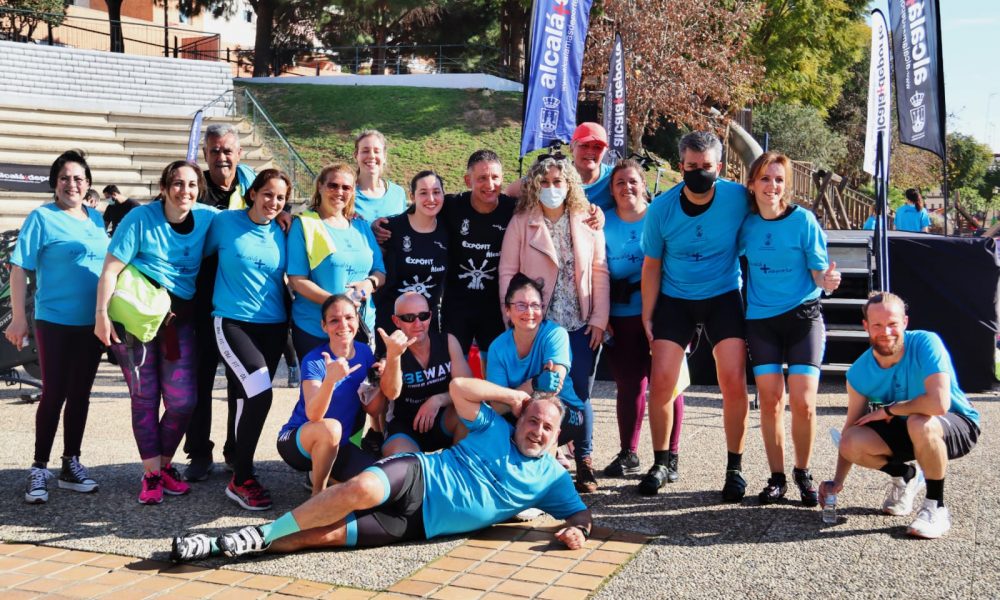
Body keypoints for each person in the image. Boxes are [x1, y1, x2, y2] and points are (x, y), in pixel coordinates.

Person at [169, 377, 592, 562]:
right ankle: (257, 534)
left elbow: (581, 513)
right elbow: (460, 389)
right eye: (532, 420)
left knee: (315, 538)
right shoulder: (495, 428)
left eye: (546, 427)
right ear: (519, 419)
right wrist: (512, 397)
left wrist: (578, 530)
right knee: (358, 491)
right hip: (418, 474)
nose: (536, 430)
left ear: (559, 438)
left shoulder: (552, 478)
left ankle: (218, 546)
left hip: (417, 526)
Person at [94, 160, 217, 504]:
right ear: (164, 188)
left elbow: (244, 219)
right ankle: (152, 474)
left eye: (192, 185)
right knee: (144, 398)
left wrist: (285, 218)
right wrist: (101, 315)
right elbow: (109, 270)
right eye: (177, 184)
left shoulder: (207, 217)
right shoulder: (139, 219)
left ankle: (162, 466)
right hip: (135, 322)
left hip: (178, 323)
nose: (185, 191)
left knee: (183, 401)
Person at [640, 130, 751, 500]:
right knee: (662, 382)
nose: (699, 172)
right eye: (692, 167)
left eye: (706, 167)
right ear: (680, 166)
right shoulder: (661, 209)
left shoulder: (737, 198)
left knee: (733, 381)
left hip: (722, 295)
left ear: (718, 167)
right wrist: (647, 313)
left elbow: (774, 206)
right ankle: (660, 462)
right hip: (676, 298)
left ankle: (734, 468)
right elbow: (651, 265)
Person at [819, 293, 980, 539]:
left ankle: (935, 507)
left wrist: (889, 410)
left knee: (920, 420)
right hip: (909, 428)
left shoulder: (926, 342)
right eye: (878, 325)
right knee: (851, 440)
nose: (886, 332)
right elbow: (850, 426)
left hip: (955, 422)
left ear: (905, 322)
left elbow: (938, 404)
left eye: (893, 324)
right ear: (866, 327)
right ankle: (904, 476)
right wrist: (837, 481)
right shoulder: (859, 372)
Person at [498, 154, 610, 488]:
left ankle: (585, 460)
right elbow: (507, 270)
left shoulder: (588, 219)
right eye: (544, 182)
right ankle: (543, 459)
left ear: (570, 184)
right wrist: (514, 317)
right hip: (539, 324)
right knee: (543, 392)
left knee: (580, 396)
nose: (551, 188)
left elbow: (601, 270)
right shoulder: (522, 221)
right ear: (533, 185)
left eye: (558, 182)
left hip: (580, 321)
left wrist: (600, 318)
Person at [738, 152, 842, 506]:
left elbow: (820, 273)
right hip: (762, 321)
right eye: (765, 178)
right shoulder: (746, 224)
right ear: (752, 183)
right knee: (769, 402)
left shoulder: (804, 221)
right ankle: (777, 477)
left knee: (804, 403)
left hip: (803, 318)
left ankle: (803, 471)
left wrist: (828, 280)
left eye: (779, 179)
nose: (772, 186)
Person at [7, 150, 108, 504]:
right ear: (55, 184)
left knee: (80, 393)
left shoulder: (97, 220)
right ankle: (38, 468)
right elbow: (19, 268)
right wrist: (19, 318)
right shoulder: (42, 218)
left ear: (89, 184)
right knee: (54, 393)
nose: (72, 184)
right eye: (65, 178)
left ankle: (71, 464)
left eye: (79, 178)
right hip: (54, 321)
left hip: (91, 323)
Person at [205, 169, 291, 511]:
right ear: (253, 193)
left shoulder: (285, 230)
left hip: (273, 326)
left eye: (280, 198)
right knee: (260, 393)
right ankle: (241, 479)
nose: (273, 202)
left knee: (245, 395)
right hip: (233, 322)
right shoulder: (224, 223)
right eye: (267, 194)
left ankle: (235, 455)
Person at [182, 123, 259, 482]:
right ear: (204, 154)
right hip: (198, 299)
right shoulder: (191, 187)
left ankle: (234, 449)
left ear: (239, 154)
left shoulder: (252, 188)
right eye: (214, 151)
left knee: (237, 381)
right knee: (199, 380)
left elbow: (279, 210)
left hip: (237, 302)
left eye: (228, 150)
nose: (221, 157)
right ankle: (198, 452)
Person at [601, 159, 686, 480]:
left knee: (670, 386)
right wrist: (601, 313)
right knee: (628, 386)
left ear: (644, 184)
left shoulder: (660, 217)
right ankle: (629, 452)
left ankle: (670, 456)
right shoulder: (602, 222)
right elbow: (595, 270)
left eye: (633, 181)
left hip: (665, 315)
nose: (627, 188)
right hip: (620, 316)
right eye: (620, 183)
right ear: (612, 190)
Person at [487, 274, 597, 493]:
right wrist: (535, 382)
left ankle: (581, 461)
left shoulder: (556, 334)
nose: (529, 312)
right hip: (521, 411)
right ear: (507, 310)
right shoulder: (498, 347)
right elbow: (497, 405)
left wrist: (515, 395)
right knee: (488, 424)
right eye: (521, 305)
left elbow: (552, 388)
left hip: (567, 413)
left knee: (544, 412)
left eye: (535, 305)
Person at [277, 295, 380, 497]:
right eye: (334, 320)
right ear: (324, 326)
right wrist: (330, 380)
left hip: (339, 446)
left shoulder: (365, 352)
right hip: (298, 442)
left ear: (358, 321)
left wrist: (387, 369)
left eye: (349, 317)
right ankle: (318, 495)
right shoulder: (315, 360)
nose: (343, 324)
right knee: (331, 427)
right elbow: (314, 415)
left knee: (377, 478)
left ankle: (325, 473)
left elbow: (373, 407)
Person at [287, 163, 386, 360]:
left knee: (359, 390)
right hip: (315, 328)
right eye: (333, 185)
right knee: (320, 390)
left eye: (346, 187)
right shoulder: (304, 224)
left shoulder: (361, 226)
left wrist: (369, 283)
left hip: (359, 327)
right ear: (320, 187)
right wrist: (339, 304)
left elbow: (379, 271)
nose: (339, 192)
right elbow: (297, 280)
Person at [380, 292, 472, 455]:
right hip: (405, 429)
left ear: (431, 316)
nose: (418, 323)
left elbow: (469, 389)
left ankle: (459, 469)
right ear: (396, 321)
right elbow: (391, 393)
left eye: (423, 316)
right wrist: (393, 356)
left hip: (442, 421)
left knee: (468, 414)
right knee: (405, 466)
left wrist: (439, 399)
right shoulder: (393, 351)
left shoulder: (448, 342)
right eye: (409, 317)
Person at [374, 171, 449, 354]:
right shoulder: (389, 229)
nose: (430, 198)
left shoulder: (448, 230)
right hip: (392, 323)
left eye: (436, 192)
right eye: (423, 192)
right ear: (412, 196)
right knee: (389, 378)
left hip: (426, 324)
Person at [505, 122, 614, 211]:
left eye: (597, 147)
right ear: (571, 148)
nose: (590, 151)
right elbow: (509, 192)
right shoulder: (556, 173)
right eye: (584, 145)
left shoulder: (615, 178)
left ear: (605, 151)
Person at [353, 130, 408, 223]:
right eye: (365, 151)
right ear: (356, 156)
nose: (371, 156)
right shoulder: (345, 193)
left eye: (377, 151)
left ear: (384, 156)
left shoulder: (398, 193)